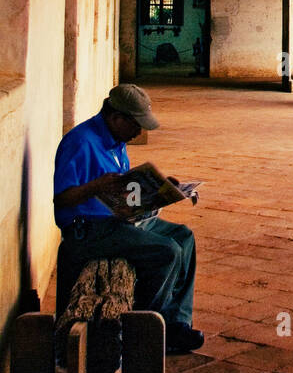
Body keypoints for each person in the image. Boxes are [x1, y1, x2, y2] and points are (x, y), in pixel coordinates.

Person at [53, 84, 204, 354]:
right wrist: (94, 186)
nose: (139, 132)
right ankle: (141, 331)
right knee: (165, 252)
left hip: (118, 219)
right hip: (88, 230)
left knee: (184, 237)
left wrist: (159, 190)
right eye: (136, 125)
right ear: (116, 118)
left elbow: (122, 189)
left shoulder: (116, 140)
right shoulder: (81, 142)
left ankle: (175, 323)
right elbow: (61, 200)